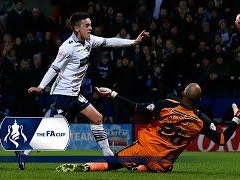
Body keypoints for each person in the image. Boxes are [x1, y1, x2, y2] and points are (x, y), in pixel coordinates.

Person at [20, 11, 149, 170]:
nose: (90, 28)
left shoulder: (90, 40)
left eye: (90, 25)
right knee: (51, 131)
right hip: (63, 94)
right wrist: (40, 86)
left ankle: (108, 156)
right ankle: (23, 153)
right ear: (76, 28)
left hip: (75, 93)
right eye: (86, 25)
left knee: (97, 118)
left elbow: (109, 41)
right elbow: (54, 68)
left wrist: (134, 42)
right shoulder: (66, 48)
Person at [56, 83, 240, 173]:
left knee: (111, 164)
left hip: (142, 150)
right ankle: (141, 169)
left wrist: (114, 94)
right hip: (163, 163)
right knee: (161, 167)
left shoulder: (165, 105)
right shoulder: (200, 120)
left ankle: (87, 167)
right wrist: (236, 120)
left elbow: (137, 108)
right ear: (199, 100)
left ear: (182, 93)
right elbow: (221, 139)